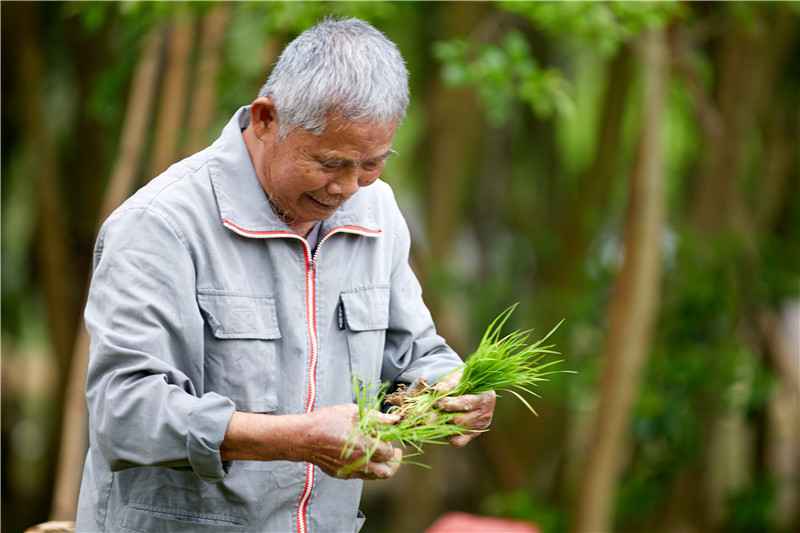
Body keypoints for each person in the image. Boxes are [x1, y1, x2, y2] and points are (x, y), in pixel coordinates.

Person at [75, 18, 496, 533]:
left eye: (372, 163)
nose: (347, 187)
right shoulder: (161, 225)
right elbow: (125, 413)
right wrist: (294, 438)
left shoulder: (378, 211)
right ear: (266, 118)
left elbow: (411, 356)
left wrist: (448, 389)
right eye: (330, 163)